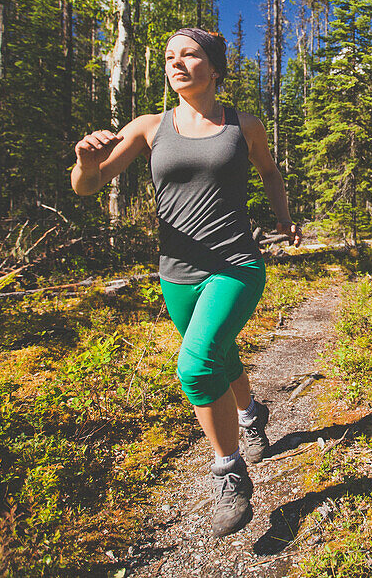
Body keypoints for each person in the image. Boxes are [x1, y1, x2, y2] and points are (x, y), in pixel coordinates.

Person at [71, 27, 301, 537]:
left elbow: (269, 172)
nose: (177, 63)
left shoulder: (243, 125)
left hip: (236, 264)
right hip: (176, 273)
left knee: (196, 365)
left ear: (214, 68)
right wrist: (85, 165)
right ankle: (252, 412)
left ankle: (228, 473)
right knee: (220, 353)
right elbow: (90, 186)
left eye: (190, 55)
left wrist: (283, 218)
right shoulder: (151, 127)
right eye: (170, 56)